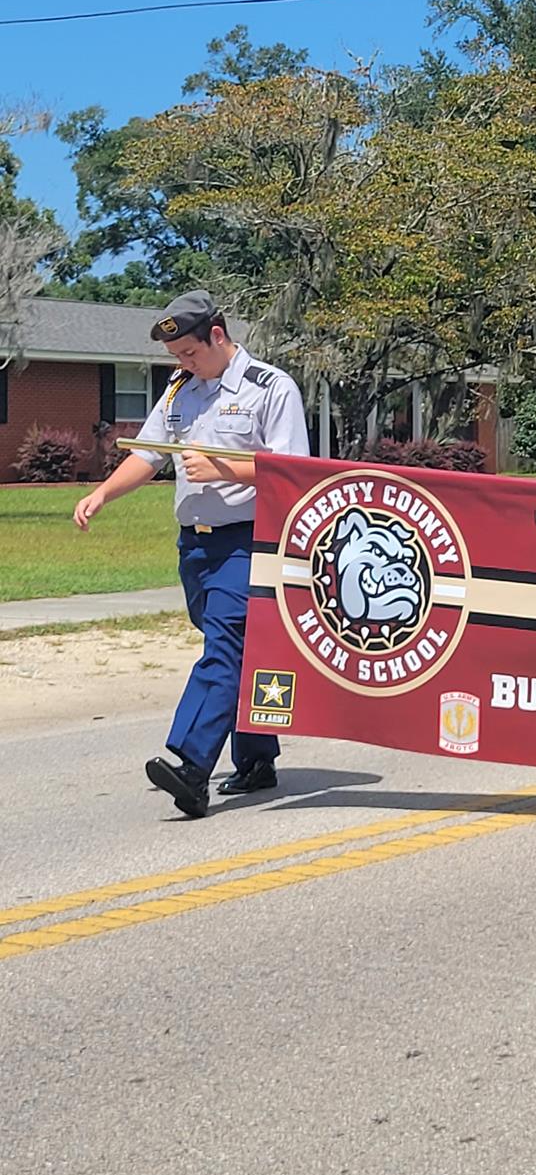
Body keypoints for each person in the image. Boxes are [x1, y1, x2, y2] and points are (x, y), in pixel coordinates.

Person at [72, 290, 311, 818]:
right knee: (236, 649)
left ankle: (191, 765)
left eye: (188, 353)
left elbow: (295, 472)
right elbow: (152, 452)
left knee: (225, 645)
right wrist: (103, 493)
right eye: (175, 357)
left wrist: (227, 469)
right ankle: (255, 759)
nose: (180, 364)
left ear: (217, 336)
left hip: (249, 540)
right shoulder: (182, 389)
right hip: (196, 545)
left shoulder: (270, 388)